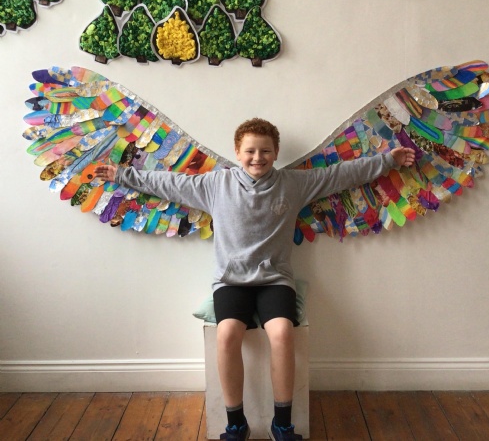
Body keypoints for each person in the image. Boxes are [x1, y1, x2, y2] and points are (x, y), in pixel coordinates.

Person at [95, 118, 415, 441]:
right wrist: (121, 174)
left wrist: (388, 160)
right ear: (237, 152)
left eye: (265, 151)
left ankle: (282, 424)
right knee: (226, 335)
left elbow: (340, 175)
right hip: (231, 281)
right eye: (250, 151)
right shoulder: (215, 185)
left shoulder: (293, 184)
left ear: (276, 152)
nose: (257, 157)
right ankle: (236, 423)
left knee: (283, 333)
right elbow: (168, 183)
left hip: (275, 280)